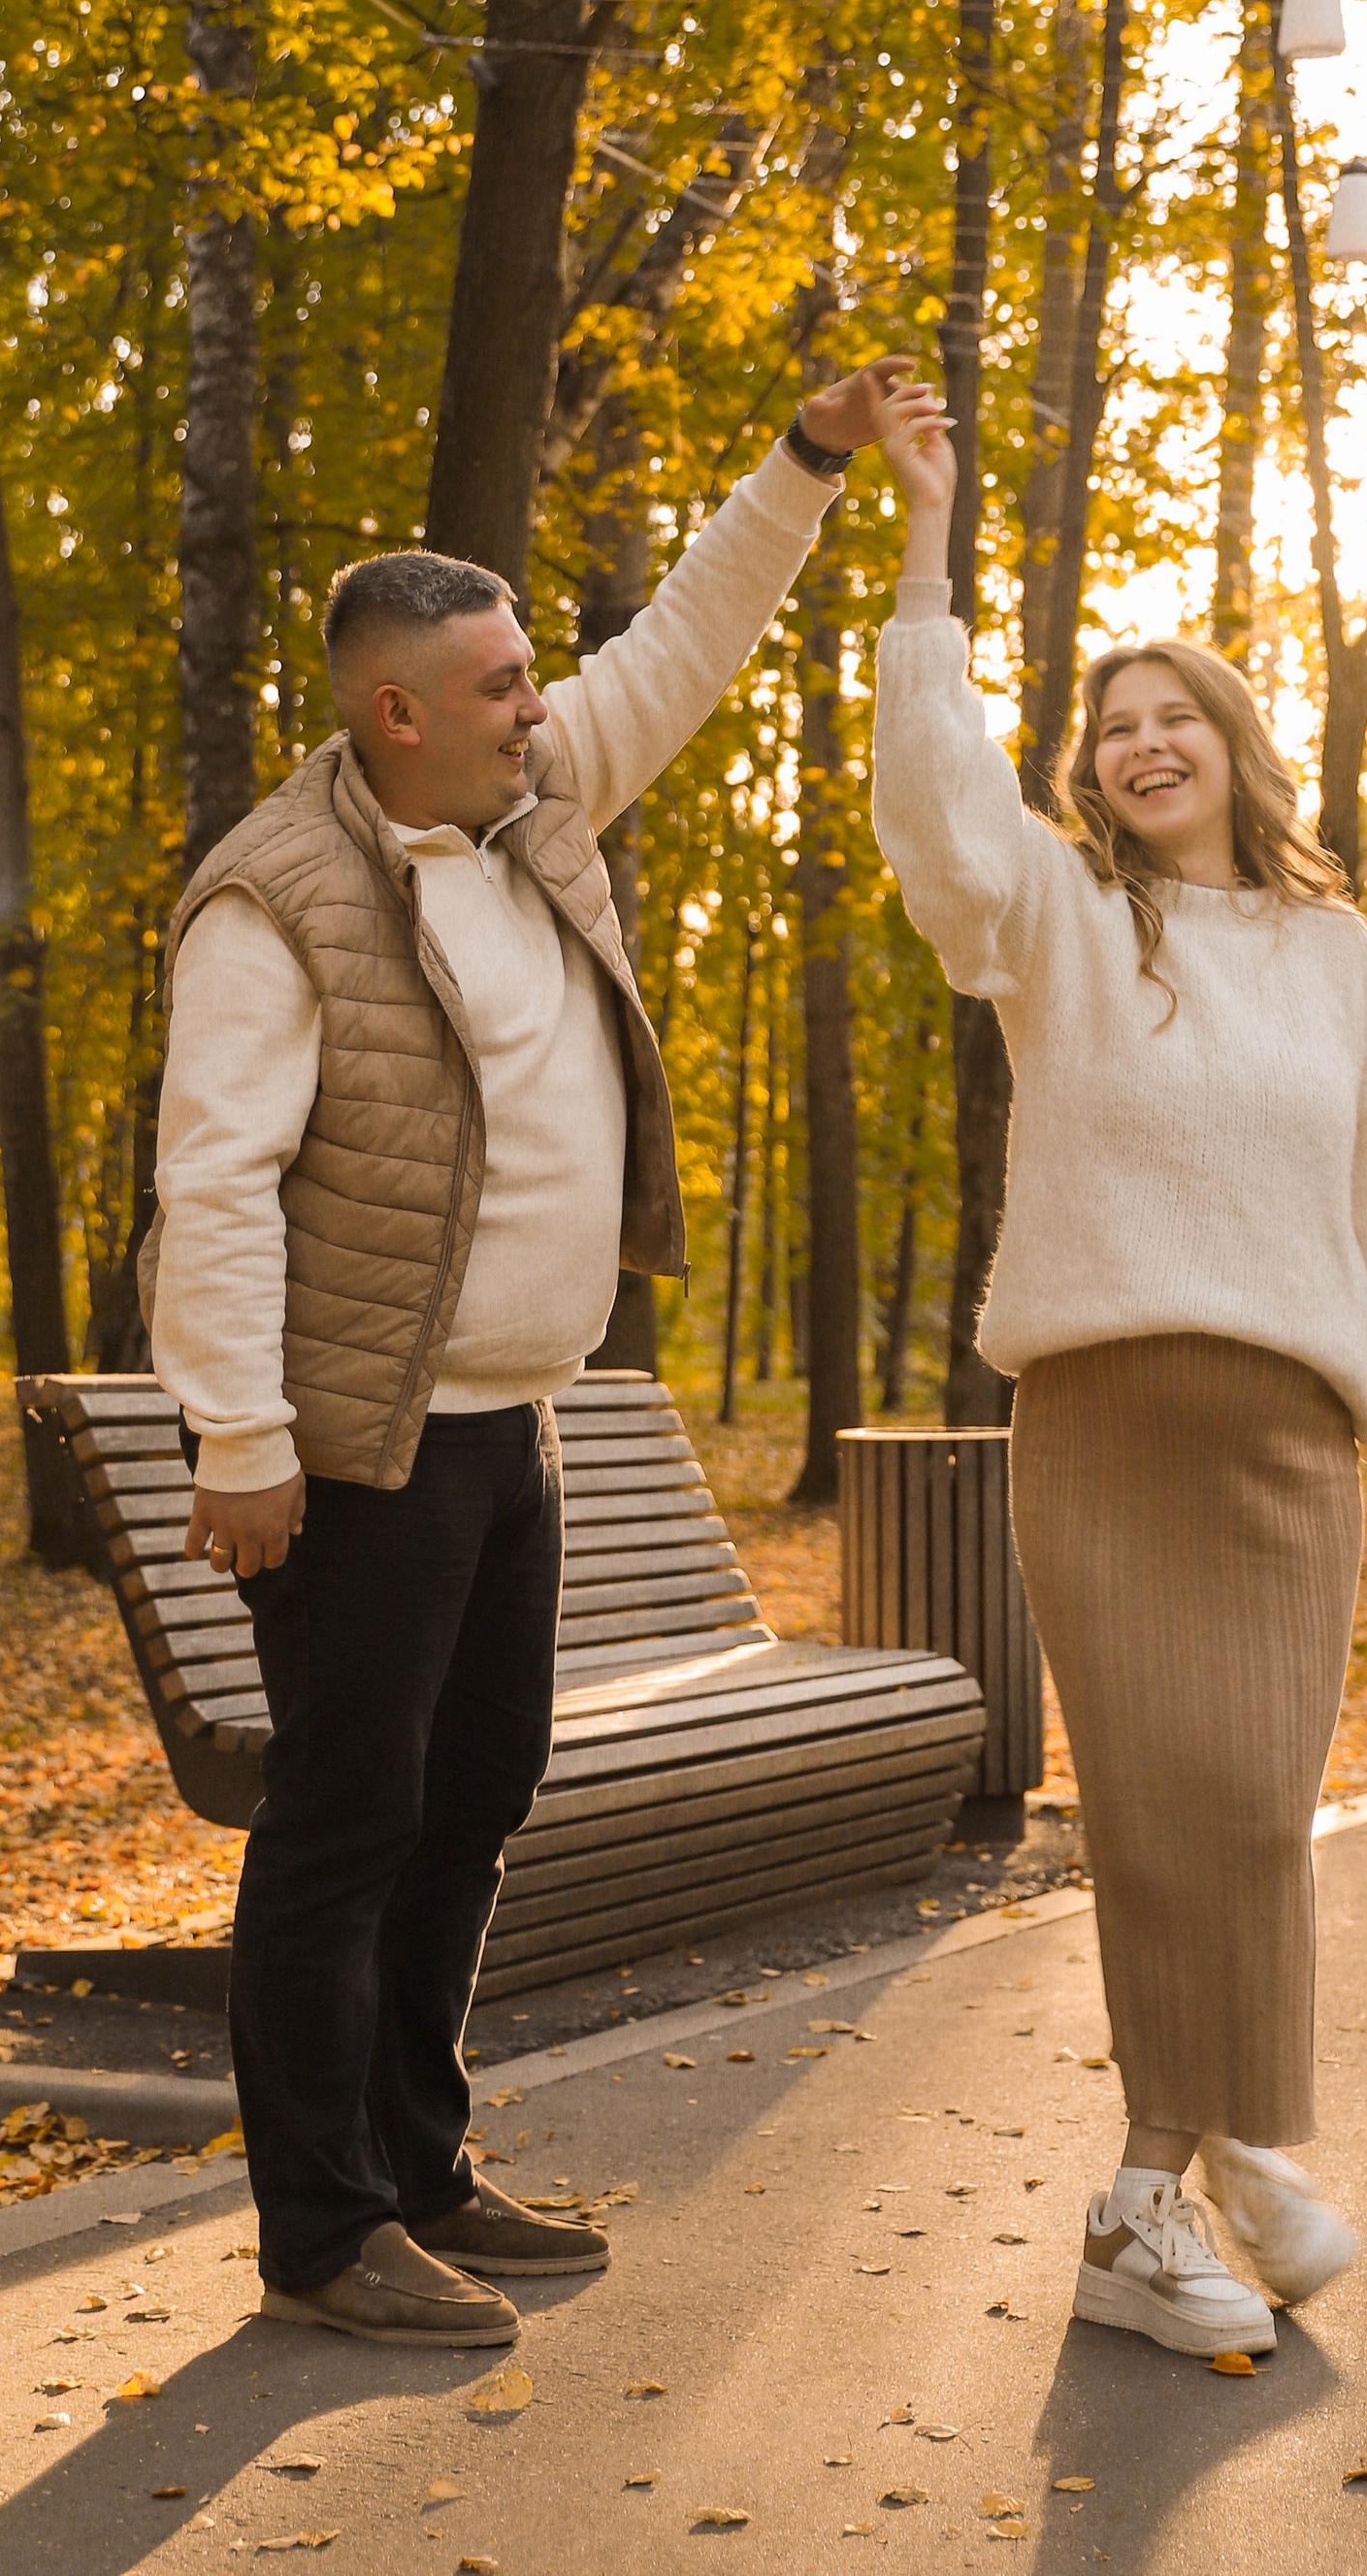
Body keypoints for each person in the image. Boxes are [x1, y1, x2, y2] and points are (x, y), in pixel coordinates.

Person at [146, 361, 910, 2348]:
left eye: (527, 680)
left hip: (512, 1424)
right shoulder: (275, 904)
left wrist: (804, 465)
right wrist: (235, 1432)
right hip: (358, 1447)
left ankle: (415, 2163)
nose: (537, 704)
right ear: (396, 709)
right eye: (495, 686)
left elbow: (685, 643)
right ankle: (319, 2232)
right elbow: (211, 1185)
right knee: (346, 1821)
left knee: (474, 1794)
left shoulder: (532, 809)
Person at [867, 380, 1367, 2359]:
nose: (1141, 745)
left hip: (1292, 1437)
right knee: (1161, 1801)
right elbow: (933, 802)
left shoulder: (1328, 950)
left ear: (1234, 747)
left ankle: (1226, 2159)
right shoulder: (1048, 917)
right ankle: (1157, 2191)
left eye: (1173, 718)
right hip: (1110, 1423)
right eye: (1110, 729)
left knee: (1255, 1811)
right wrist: (919, 542)